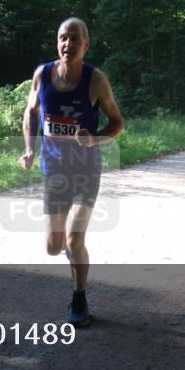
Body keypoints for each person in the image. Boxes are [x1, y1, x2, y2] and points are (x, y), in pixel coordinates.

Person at [19, 17, 124, 327]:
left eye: (75, 39)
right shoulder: (43, 74)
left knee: (75, 238)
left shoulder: (96, 81)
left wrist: (97, 137)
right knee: (54, 247)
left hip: (86, 171)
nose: (68, 44)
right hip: (54, 171)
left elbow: (118, 123)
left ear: (86, 45)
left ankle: (79, 299)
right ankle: (70, 253)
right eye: (63, 38)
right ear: (57, 43)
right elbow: (31, 111)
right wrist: (29, 148)